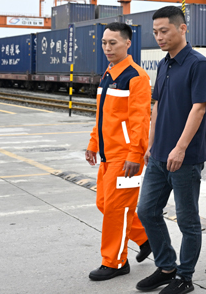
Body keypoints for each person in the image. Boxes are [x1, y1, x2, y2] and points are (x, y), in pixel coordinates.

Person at [136, 5, 206, 294]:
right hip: (158, 156)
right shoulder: (164, 63)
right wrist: (152, 143)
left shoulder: (198, 63)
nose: (159, 37)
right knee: (147, 211)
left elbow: (199, 108)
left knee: (187, 220)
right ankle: (166, 266)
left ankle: (185, 277)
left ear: (182, 28)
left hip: (184, 159)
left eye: (164, 31)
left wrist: (180, 148)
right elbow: (157, 106)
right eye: (155, 32)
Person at [86, 22, 152, 281]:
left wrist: (135, 155)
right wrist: (94, 143)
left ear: (127, 43)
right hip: (107, 154)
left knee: (117, 209)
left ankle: (114, 262)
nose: (107, 48)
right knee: (104, 204)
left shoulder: (135, 77)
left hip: (125, 157)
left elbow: (140, 121)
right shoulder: (108, 74)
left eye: (113, 43)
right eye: (104, 43)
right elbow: (102, 116)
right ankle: (146, 238)